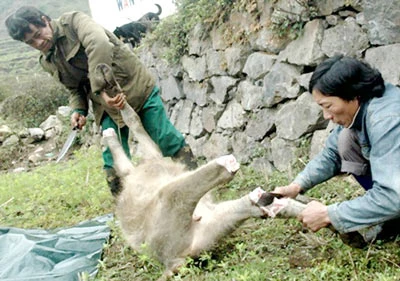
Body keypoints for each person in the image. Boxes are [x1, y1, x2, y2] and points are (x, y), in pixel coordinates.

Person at [5, 6, 197, 196]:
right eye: (31, 42)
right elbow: (74, 88)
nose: (38, 42)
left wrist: (100, 87)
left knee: (165, 138)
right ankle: (129, 208)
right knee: (113, 160)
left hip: (136, 88)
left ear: (45, 19)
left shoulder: (74, 22)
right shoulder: (47, 61)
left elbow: (99, 44)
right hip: (106, 106)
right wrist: (78, 110)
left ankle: (197, 185)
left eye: (39, 34)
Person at [273, 55, 400, 246]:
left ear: (352, 95)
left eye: (328, 106)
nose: (326, 115)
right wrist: (296, 186)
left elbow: (394, 196)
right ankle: (393, 219)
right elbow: (332, 154)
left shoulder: (386, 119)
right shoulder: (361, 106)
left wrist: (329, 214)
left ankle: (391, 214)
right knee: (345, 140)